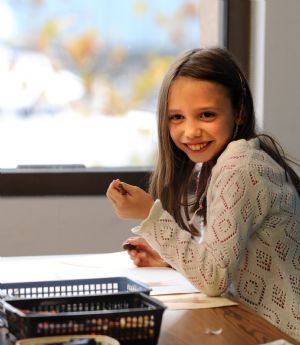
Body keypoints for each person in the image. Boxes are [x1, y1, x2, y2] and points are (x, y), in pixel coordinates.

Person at [106, 47, 300, 340]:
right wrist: (169, 256)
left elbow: (214, 279)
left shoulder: (240, 167)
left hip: (281, 334)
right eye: (177, 118)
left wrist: (150, 215)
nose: (191, 131)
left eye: (206, 115)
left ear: (239, 112)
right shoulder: (234, 158)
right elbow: (226, 255)